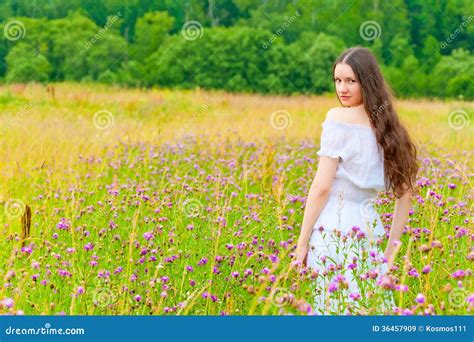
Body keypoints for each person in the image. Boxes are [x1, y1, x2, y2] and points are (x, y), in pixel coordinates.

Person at [294, 46, 419, 315]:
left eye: (351, 81)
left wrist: (302, 242)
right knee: (368, 309)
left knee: (331, 309)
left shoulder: (337, 118)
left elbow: (321, 187)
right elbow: (405, 192)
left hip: (333, 229)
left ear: (367, 81)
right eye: (338, 80)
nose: (343, 88)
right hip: (369, 227)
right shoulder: (388, 126)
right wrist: (390, 251)